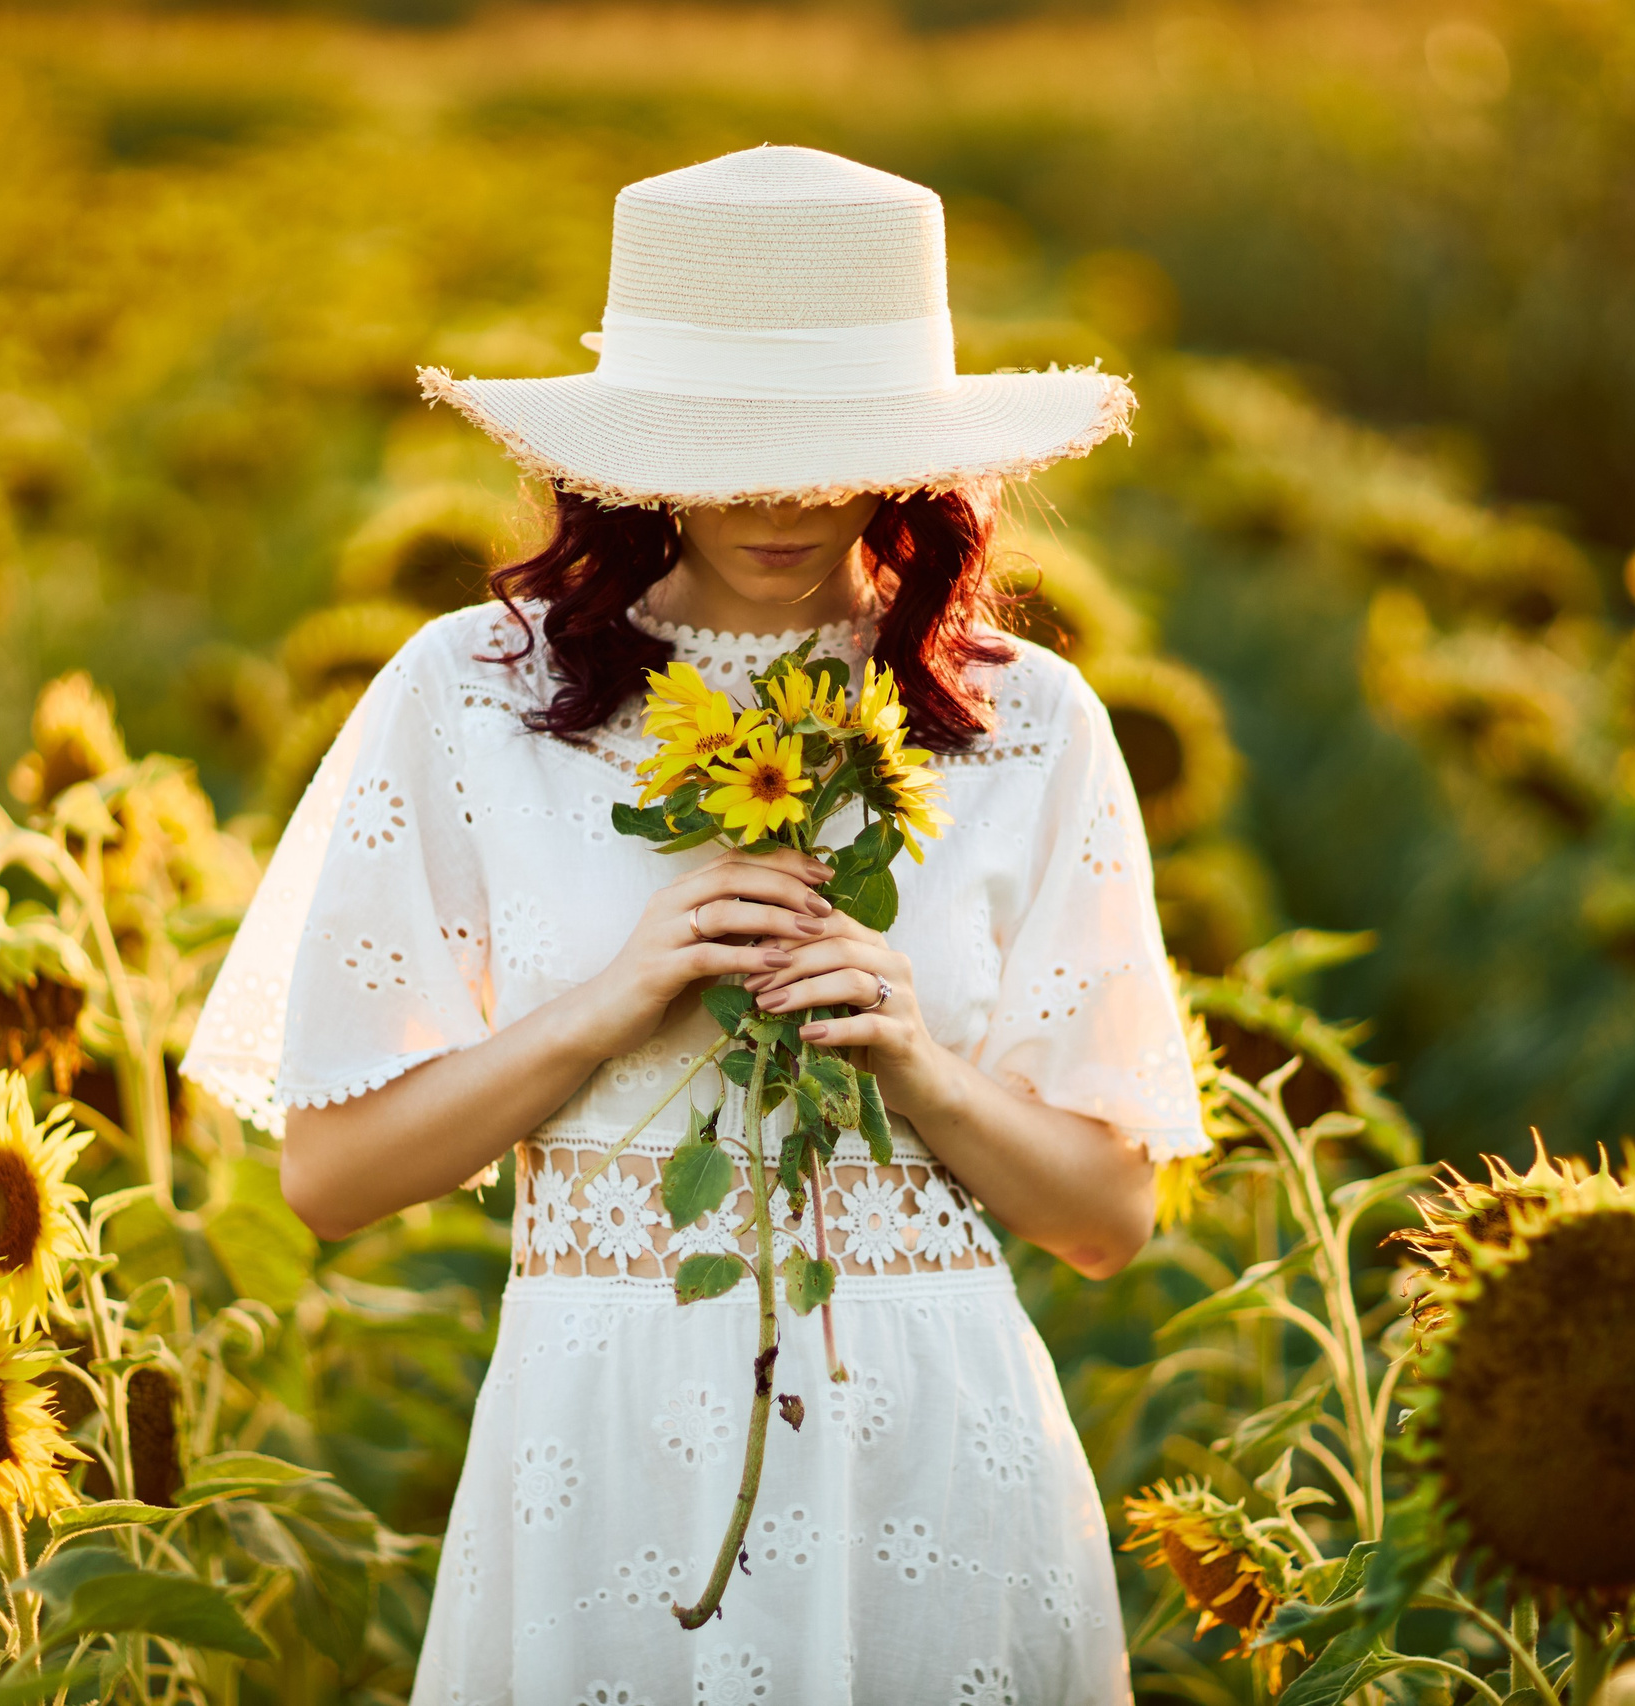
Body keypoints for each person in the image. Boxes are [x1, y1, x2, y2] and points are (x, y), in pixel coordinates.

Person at [184, 144, 1207, 1706]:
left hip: (928, 1444)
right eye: (726, 449)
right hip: (600, 1440)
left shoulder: (1027, 722)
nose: (780, 499)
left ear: (913, 457)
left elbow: (1107, 1216)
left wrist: (915, 1056)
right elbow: (330, 1177)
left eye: (832, 448)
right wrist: (612, 1002)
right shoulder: (478, 695)